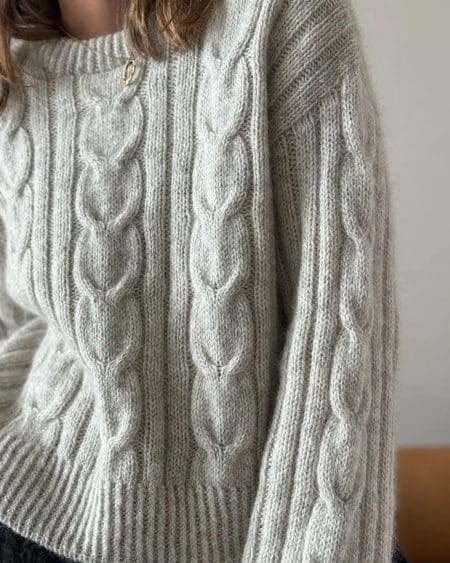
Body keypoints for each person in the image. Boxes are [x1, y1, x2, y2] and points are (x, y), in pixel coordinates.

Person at [0, 0, 407, 561]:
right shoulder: (14, 70)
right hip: (28, 509)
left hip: (257, 536)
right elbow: (16, 318)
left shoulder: (275, 19)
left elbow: (341, 340)